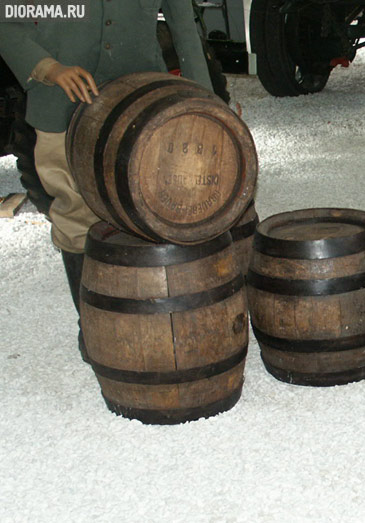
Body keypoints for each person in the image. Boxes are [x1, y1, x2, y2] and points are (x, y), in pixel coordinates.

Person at [0, 0, 214, 359]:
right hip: (59, 102)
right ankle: (95, 328)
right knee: (74, 214)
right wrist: (48, 68)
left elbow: (184, 27)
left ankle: (164, 316)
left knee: (157, 205)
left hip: (141, 97)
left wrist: (206, 101)